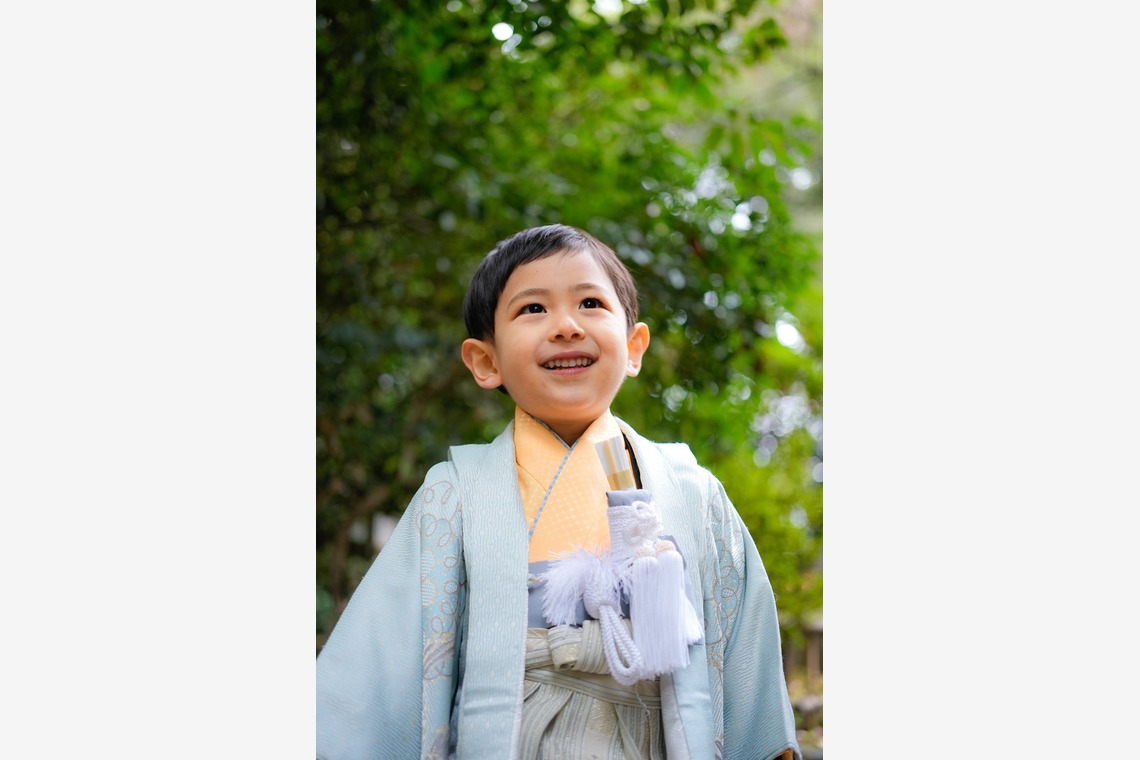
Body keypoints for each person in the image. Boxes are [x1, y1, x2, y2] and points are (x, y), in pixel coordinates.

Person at [316, 224, 800, 760]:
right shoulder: (454, 493)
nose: (566, 327)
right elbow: (382, 661)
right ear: (486, 361)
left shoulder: (692, 493)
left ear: (634, 346)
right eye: (532, 310)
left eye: (590, 302)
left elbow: (745, 653)